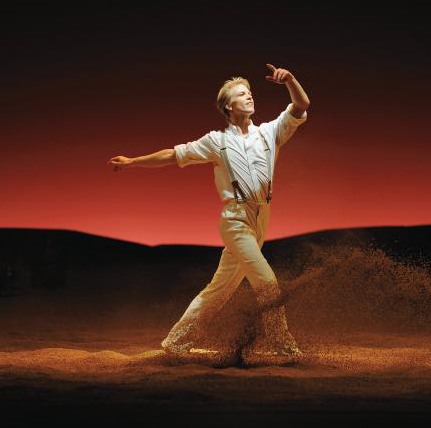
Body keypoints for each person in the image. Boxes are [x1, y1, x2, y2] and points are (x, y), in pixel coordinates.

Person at [107, 63, 310, 360]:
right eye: (242, 94)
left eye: (250, 92)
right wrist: (133, 162)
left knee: (218, 289)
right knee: (266, 282)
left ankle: (176, 341)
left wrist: (289, 79)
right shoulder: (217, 141)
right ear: (229, 106)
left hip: (261, 219)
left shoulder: (269, 132)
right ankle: (284, 346)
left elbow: (301, 105)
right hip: (236, 220)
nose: (249, 96)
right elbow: (173, 155)